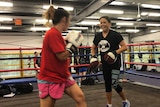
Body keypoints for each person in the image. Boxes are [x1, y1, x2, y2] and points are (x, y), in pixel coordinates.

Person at [38, 6, 87, 107]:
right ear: (64, 19)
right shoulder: (52, 34)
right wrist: (72, 46)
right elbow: (62, 56)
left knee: (80, 97)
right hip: (50, 77)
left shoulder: (58, 34)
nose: (69, 24)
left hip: (63, 75)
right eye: (69, 21)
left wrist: (68, 42)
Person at [91, 16, 130, 107]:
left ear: (109, 24)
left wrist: (115, 52)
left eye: (104, 22)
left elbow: (124, 47)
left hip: (115, 64)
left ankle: (125, 101)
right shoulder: (98, 36)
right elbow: (93, 47)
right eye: (101, 23)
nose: (102, 24)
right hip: (105, 64)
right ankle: (109, 104)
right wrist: (93, 56)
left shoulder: (115, 35)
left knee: (114, 83)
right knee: (107, 84)